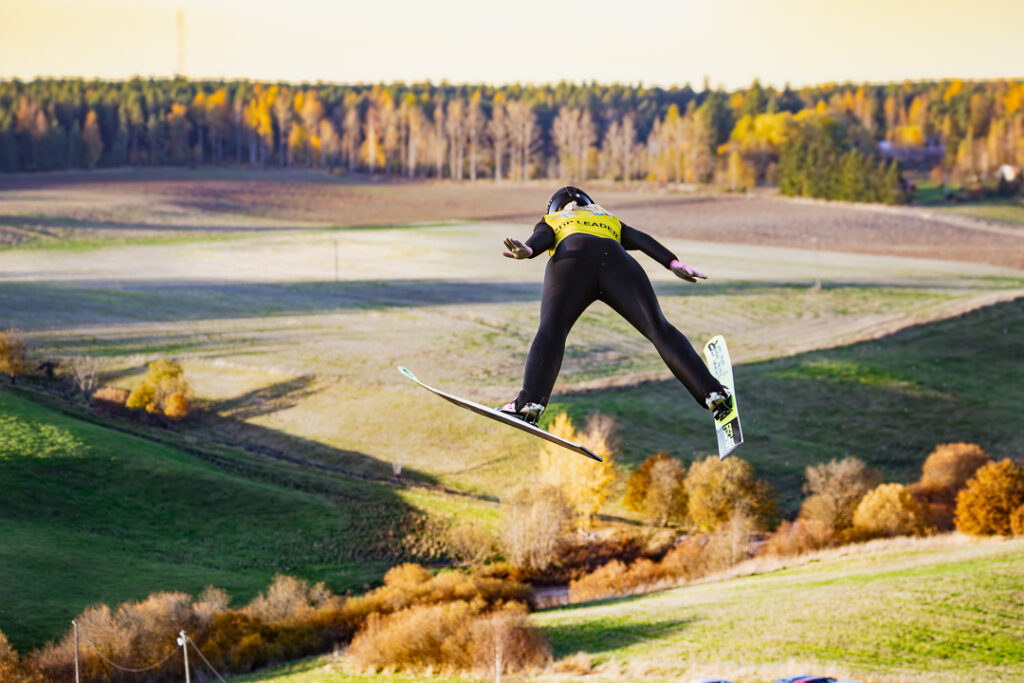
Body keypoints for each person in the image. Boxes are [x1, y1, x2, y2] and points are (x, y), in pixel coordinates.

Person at [498, 186, 732, 425]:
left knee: (551, 331)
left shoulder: (554, 218)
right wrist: (672, 262)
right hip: (617, 261)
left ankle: (529, 403)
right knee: (658, 328)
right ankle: (713, 393)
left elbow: (542, 238)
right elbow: (642, 240)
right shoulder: (607, 219)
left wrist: (528, 250)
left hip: (572, 258)